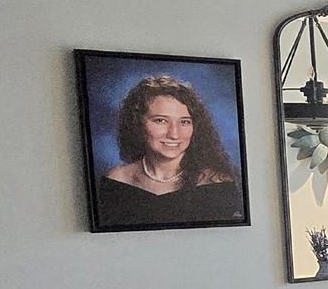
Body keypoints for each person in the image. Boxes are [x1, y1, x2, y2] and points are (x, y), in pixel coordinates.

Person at [94, 74, 242, 226]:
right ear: (137, 123)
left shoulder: (216, 184)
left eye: (184, 122)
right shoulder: (116, 180)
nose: (174, 134)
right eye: (161, 120)